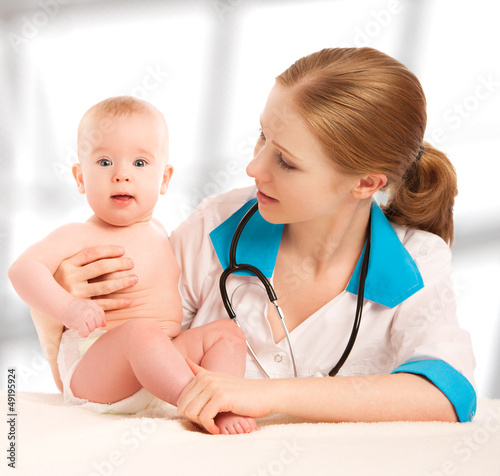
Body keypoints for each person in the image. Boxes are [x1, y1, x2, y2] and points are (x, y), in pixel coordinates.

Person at [49, 48, 476, 434]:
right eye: (262, 137)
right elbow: (113, 359)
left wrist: (269, 396)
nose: (254, 167)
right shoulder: (219, 225)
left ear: (365, 182)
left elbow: (448, 395)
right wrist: (65, 294)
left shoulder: (417, 260)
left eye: (286, 162)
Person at [8, 96, 257, 435]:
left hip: (159, 368)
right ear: (80, 178)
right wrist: (69, 308)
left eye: (140, 163)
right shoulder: (80, 234)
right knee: (140, 332)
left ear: (165, 179)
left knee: (227, 334)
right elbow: (22, 270)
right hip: (96, 368)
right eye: (105, 162)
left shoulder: (161, 233)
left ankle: (223, 401)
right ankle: (200, 403)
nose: (122, 175)